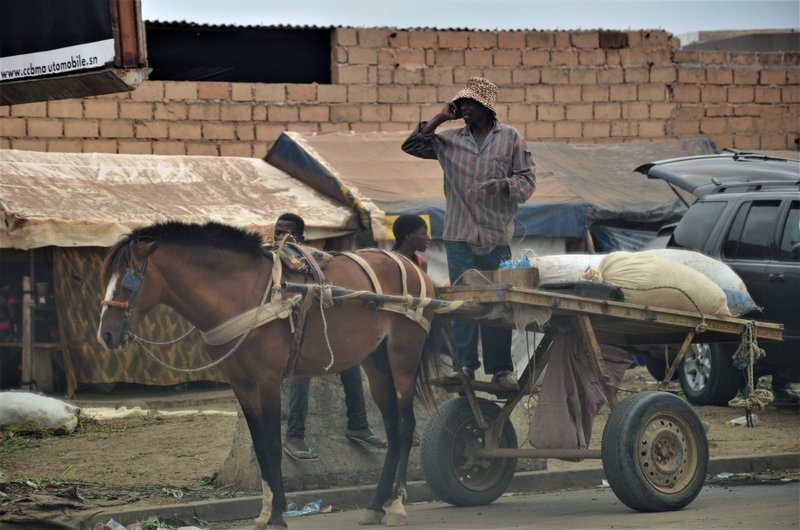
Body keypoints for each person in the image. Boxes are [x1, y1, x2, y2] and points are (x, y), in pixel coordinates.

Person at [401, 77, 536, 391]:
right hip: (459, 235)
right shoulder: (449, 141)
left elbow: (527, 183)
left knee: (497, 304)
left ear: (486, 107)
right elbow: (410, 145)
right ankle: (464, 366)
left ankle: (501, 369)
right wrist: (439, 118)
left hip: (496, 236)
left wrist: (503, 185)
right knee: (463, 302)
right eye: (459, 104)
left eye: (469, 103)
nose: (462, 109)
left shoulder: (511, 139)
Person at [273, 213, 386, 461]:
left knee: (351, 363)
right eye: (278, 232)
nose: (280, 237)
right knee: (301, 375)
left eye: (286, 232)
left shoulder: (312, 259)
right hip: (283, 336)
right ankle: (294, 436)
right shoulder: (270, 260)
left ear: (300, 237)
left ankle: (358, 424)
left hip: (313, 332)